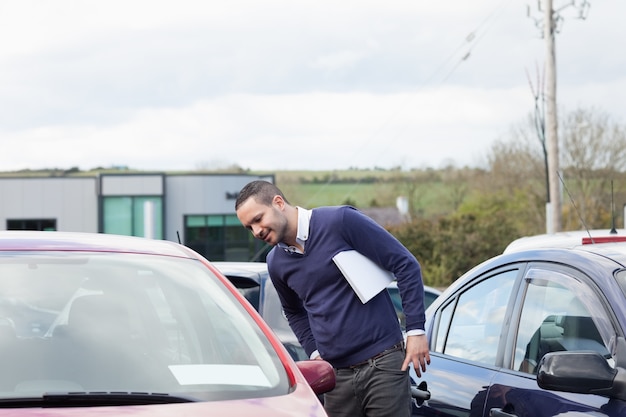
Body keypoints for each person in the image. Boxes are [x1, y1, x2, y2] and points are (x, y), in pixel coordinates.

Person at [235, 180, 430, 417]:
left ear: (278, 203)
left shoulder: (340, 221)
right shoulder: (275, 263)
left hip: (384, 364)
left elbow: (405, 264)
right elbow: (294, 311)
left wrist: (416, 331)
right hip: (336, 378)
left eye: (258, 219)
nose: (256, 231)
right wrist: (316, 355)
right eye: (249, 227)